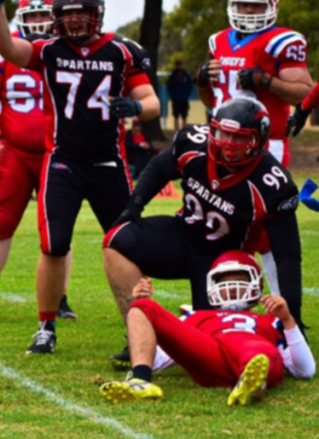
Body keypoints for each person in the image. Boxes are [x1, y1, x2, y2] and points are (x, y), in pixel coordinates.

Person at [0, 0, 160, 354]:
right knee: (54, 246)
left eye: (82, 13)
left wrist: (135, 105)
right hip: (63, 162)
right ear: (56, 17)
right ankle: (46, 327)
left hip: (108, 163)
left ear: (97, 14)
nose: (75, 20)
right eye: (67, 14)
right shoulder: (48, 50)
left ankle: (138, 328)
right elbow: (6, 47)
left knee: (125, 245)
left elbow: (152, 103)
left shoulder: (122, 50)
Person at [103, 98, 303, 368]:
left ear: (258, 141)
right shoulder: (194, 145)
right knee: (117, 240)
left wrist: (293, 314)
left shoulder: (272, 183)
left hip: (223, 261)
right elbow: (161, 167)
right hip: (183, 233)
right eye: (223, 133)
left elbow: (287, 254)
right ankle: (138, 336)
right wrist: (136, 203)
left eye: (238, 137)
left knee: (211, 346)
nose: (228, 143)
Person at [195, 0, 314, 301]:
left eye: (254, 6)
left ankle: (283, 308)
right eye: (242, 6)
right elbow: (211, 100)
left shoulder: (283, 41)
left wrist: (267, 81)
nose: (247, 12)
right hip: (220, 145)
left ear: (271, 6)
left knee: (268, 228)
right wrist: (202, 80)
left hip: (265, 145)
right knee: (218, 224)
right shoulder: (218, 40)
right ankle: (221, 305)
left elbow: (305, 93)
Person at [0, 0, 76, 322]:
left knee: (57, 226)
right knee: (0, 221)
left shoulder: (69, 49)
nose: (41, 21)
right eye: (34, 15)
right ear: (21, 18)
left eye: (46, 14)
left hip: (55, 151)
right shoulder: (0, 48)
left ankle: (58, 297)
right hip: (13, 150)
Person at [99, 251, 314, 405]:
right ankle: (140, 382)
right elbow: (155, 361)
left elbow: (305, 370)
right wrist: (141, 303)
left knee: (258, 353)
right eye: (225, 282)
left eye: (239, 280)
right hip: (211, 353)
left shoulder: (272, 319)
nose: (231, 289)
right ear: (212, 286)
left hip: (255, 350)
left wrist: (288, 320)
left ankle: (251, 383)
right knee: (140, 307)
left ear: (256, 285)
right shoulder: (196, 316)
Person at [166, 59, 194, 130]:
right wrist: (173, 96)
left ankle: (184, 130)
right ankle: (176, 131)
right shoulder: (172, 76)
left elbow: (190, 86)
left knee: (184, 116)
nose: (179, 67)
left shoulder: (186, 75)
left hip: (184, 99)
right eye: (177, 65)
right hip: (175, 100)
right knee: (176, 116)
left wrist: (186, 95)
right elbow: (169, 87)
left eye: (180, 65)